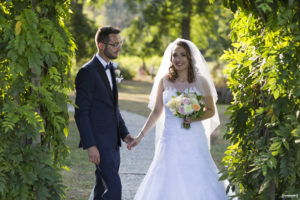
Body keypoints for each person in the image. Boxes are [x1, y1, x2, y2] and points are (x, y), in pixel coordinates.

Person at [127, 39, 230, 199]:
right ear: (171, 58)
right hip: (170, 139)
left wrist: (193, 118)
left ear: (190, 58)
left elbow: (210, 111)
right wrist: (140, 136)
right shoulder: (164, 81)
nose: (178, 59)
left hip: (194, 139)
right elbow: (156, 111)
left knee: (197, 174)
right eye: (175, 55)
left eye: (183, 55)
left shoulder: (201, 81)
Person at [74, 26, 133, 200]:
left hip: (113, 144)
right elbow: (81, 113)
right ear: (101, 45)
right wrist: (90, 145)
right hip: (99, 144)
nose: (118, 47)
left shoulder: (110, 68)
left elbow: (113, 107)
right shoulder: (87, 72)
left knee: (101, 188)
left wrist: (124, 133)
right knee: (115, 189)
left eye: (120, 43)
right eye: (114, 44)